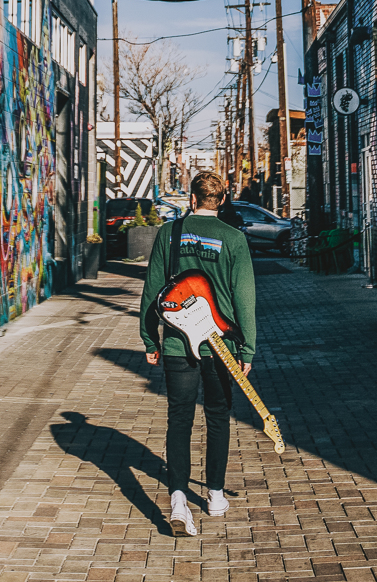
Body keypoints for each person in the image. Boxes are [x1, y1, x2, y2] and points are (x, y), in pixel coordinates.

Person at [140, 169, 256, 537]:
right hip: (222, 346)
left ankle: (178, 499)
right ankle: (215, 496)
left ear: (192, 198)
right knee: (218, 417)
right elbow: (244, 299)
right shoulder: (234, 238)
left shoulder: (169, 233)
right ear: (221, 200)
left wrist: (150, 340)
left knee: (180, 419)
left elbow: (153, 290)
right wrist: (248, 348)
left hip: (177, 342)